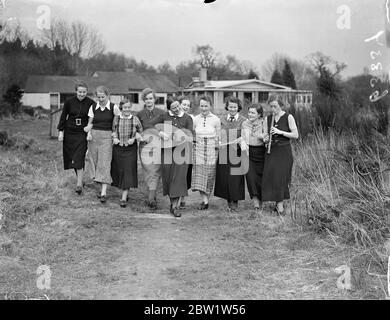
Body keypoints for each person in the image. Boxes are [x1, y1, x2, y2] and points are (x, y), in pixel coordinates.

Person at [151, 97, 194, 217]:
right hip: (167, 152)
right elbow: (151, 126)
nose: (176, 109)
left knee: (179, 178)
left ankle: (176, 206)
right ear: (169, 108)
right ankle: (172, 203)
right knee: (168, 177)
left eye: (177, 106)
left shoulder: (187, 118)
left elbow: (190, 134)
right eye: (173, 107)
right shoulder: (164, 116)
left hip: (182, 152)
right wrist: (159, 133)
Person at [262, 95, 299, 215]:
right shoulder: (267, 119)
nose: (273, 109)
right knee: (273, 178)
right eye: (271, 106)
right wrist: (266, 138)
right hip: (271, 151)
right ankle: (278, 205)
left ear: (281, 105)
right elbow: (264, 135)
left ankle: (280, 208)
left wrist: (280, 132)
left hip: (284, 151)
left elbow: (295, 135)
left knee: (281, 178)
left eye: (275, 106)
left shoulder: (289, 117)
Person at [57, 81, 95, 195]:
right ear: (76, 91)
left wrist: (90, 127)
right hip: (70, 132)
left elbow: (95, 117)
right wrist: (60, 132)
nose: (82, 94)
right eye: (80, 92)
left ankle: (78, 185)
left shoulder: (91, 103)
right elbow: (63, 116)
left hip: (82, 133)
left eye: (84, 92)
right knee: (73, 158)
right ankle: (80, 179)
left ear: (87, 92)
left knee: (79, 156)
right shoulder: (69, 102)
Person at [84, 86, 120, 203]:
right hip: (94, 136)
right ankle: (99, 184)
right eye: (98, 97)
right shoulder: (93, 107)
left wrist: (115, 135)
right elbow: (90, 123)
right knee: (94, 161)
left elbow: (117, 123)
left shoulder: (113, 107)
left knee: (104, 163)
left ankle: (103, 193)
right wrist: (88, 133)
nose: (100, 99)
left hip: (107, 137)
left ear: (107, 95)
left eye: (103, 97)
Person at [214, 96, 247, 211]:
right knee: (224, 176)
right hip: (223, 151)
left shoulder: (243, 120)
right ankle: (228, 201)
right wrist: (217, 141)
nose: (232, 109)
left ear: (238, 108)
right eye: (230, 106)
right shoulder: (221, 119)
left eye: (235, 107)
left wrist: (241, 139)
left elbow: (246, 135)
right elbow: (217, 133)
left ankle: (235, 202)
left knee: (235, 177)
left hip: (236, 151)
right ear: (227, 107)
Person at [136, 88, 165, 209]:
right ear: (144, 100)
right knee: (148, 172)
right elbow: (136, 129)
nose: (149, 101)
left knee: (156, 171)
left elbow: (166, 128)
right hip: (145, 147)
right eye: (146, 98)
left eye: (151, 98)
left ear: (154, 99)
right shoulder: (139, 114)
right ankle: (151, 194)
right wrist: (140, 136)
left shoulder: (161, 112)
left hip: (158, 145)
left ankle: (151, 198)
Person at [111, 99, 143, 208]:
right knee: (119, 170)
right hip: (118, 148)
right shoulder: (116, 118)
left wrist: (134, 138)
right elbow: (113, 130)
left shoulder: (135, 119)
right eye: (125, 108)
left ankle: (124, 197)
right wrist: (115, 137)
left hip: (131, 149)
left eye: (129, 107)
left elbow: (140, 131)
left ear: (131, 108)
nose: (127, 109)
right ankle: (124, 191)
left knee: (128, 170)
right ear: (121, 108)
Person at [191, 95, 221, 210]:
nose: (204, 108)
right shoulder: (195, 119)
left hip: (211, 149)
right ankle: (205, 201)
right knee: (199, 176)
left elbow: (218, 137)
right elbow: (193, 134)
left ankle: (206, 198)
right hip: (198, 149)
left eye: (206, 106)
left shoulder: (216, 119)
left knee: (209, 176)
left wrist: (216, 146)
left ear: (210, 106)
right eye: (202, 106)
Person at [241, 103, 267, 212]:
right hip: (248, 153)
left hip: (261, 153)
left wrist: (263, 137)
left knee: (260, 179)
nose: (250, 114)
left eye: (253, 113)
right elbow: (243, 137)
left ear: (259, 114)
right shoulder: (244, 124)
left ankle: (261, 200)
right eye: (249, 112)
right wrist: (241, 143)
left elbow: (266, 136)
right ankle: (256, 204)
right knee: (251, 178)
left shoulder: (264, 122)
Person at [177, 95, 194, 209]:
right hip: (175, 149)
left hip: (187, 148)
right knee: (177, 173)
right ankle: (176, 196)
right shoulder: (173, 116)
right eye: (184, 104)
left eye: (188, 105)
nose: (186, 107)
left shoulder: (191, 118)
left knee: (186, 174)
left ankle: (183, 197)